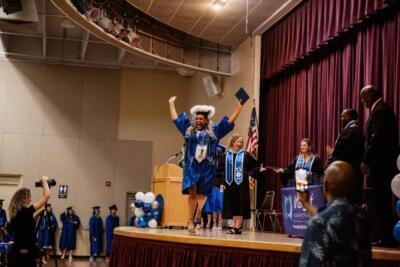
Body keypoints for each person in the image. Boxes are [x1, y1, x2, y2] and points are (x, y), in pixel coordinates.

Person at [169, 96, 243, 231]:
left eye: (201, 119)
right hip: (192, 167)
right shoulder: (188, 131)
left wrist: (239, 108)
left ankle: (198, 212)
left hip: (207, 168)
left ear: (206, 120)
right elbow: (176, 120)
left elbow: (228, 123)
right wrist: (171, 104)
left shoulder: (214, 132)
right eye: (196, 118)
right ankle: (190, 220)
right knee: (192, 192)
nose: (198, 121)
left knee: (203, 194)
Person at [298, 161, 371, 266]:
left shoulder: (318, 223)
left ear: (326, 185)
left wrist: (305, 203)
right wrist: (306, 204)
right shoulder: (362, 218)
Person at [360, 84, 400, 246]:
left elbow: (376, 139)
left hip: (382, 165)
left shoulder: (381, 111)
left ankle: (387, 238)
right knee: (380, 201)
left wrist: (366, 160)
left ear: (370, 95)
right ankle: (384, 236)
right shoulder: (380, 110)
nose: (362, 101)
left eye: (363, 98)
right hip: (381, 164)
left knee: (382, 201)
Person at [220, 133, 266, 234]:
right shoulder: (226, 155)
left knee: (240, 206)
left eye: (241, 142)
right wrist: (222, 183)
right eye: (238, 142)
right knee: (233, 206)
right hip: (229, 185)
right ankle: (236, 227)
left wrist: (259, 170)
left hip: (242, 185)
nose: (240, 144)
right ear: (233, 142)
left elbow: (253, 167)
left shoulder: (245, 155)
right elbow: (221, 170)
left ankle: (236, 227)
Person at [8, 176, 50, 267]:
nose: (31, 199)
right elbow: (47, 196)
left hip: (16, 253)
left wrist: (38, 213)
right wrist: (44, 181)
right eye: (30, 197)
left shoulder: (17, 213)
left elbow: (27, 223)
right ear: (24, 198)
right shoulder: (25, 211)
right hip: (24, 255)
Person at [326, 108, 364, 203]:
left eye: (343, 116)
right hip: (355, 173)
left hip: (345, 175)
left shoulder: (349, 131)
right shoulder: (357, 130)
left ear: (349, 117)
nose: (341, 119)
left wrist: (332, 154)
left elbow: (341, 154)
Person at [202, 145, 225, 230]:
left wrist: (223, 184)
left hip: (220, 185)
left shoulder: (222, 161)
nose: (216, 152)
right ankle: (214, 223)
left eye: (218, 151)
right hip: (211, 185)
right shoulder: (210, 162)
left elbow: (224, 174)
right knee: (213, 204)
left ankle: (220, 223)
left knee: (220, 204)